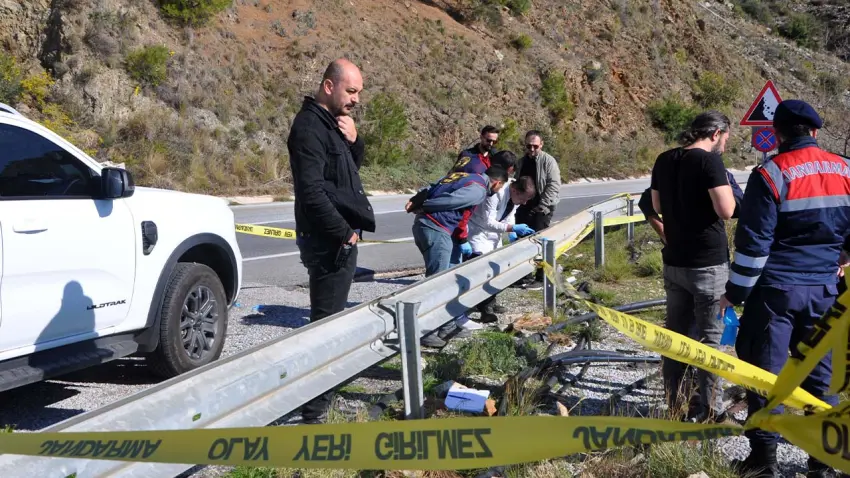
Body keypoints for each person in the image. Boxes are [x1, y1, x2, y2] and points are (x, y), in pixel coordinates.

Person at [719, 100, 850, 478]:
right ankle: (824, 464)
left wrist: (735, 294)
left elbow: (753, 245)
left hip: (775, 294)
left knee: (766, 377)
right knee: (822, 379)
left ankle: (764, 461)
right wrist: (839, 257)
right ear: (815, 132)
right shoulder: (845, 169)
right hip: (824, 292)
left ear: (776, 134)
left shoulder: (771, 173)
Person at [287, 58, 375, 424]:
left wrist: (355, 141)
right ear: (328, 86)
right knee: (325, 330)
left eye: (359, 92)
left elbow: (345, 175)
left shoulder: (334, 125)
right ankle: (314, 413)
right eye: (351, 91)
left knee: (331, 326)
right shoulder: (309, 128)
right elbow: (312, 193)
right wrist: (345, 234)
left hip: (338, 241)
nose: (356, 99)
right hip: (329, 243)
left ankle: (321, 402)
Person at [649, 110, 738, 425]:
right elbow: (726, 210)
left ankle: (674, 404)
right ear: (715, 133)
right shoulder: (709, 162)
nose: (724, 146)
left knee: (675, 337)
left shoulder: (664, 159)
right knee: (710, 340)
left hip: (674, 262)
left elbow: (657, 206)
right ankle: (710, 409)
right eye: (725, 139)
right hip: (707, 264)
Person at [407, 166, 509, 347]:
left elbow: (432, 187)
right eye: (500, 187)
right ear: (497, 183)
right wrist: (424, 205)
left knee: (449, 280)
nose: (498, 191)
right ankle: (426, 331)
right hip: (437, 229)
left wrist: (416, 200)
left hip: (433, 228)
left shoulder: (464, 176)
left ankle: (447, 326)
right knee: (437, 283)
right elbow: (453, 204)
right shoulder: (478, 190)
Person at [466, 157, 537, 324]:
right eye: (524, 199)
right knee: (483, 272)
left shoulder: (515, 194)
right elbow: (488, 222)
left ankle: (490, 302)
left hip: (494, 235)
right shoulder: (496, 193)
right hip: (479, 232)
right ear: (515, 191)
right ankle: (485, 309)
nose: (524, 203)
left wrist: (512, 231)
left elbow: (511, 213)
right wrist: (512, 228)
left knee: (497, 269)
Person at [514, 130, 562, 290]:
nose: (532, 149)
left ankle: (542, 277)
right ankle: (524, 275)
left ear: (541, 144)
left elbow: (553, 185)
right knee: (522, 241)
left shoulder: (548, 161)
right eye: (529, 146)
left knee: (541, 243)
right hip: (523, 206)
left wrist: (542, 206)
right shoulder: (521, 162)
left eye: (535, 146)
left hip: (542, 208)